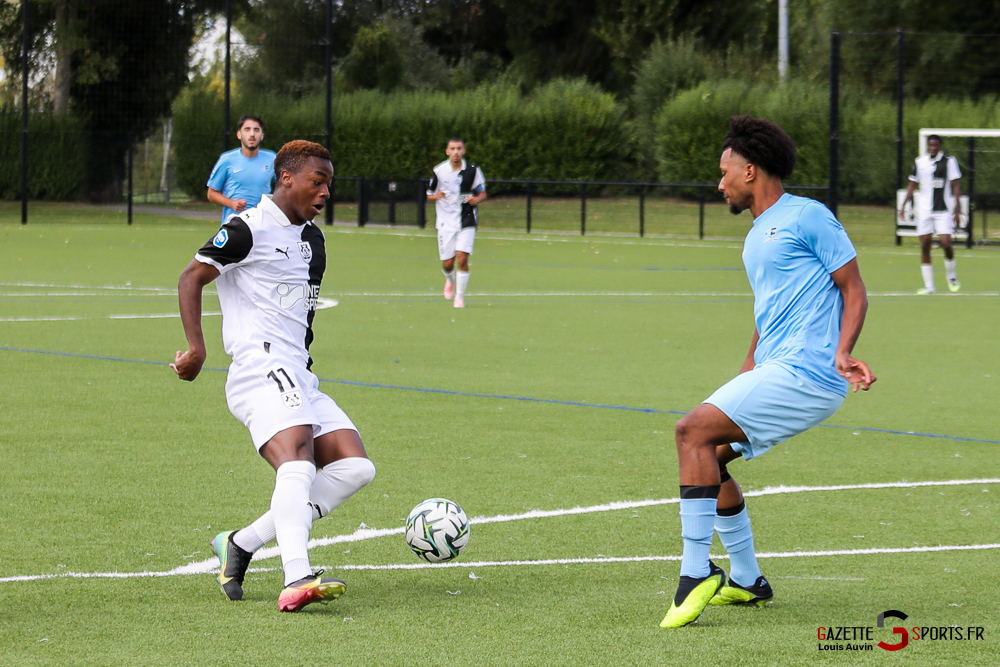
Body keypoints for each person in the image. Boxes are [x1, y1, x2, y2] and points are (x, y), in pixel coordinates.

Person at [660, 116, 876, 629]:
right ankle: (748, 579)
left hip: (809, 373)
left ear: (750, 170)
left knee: (690, 431)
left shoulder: (809, 216)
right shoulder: (757, 233)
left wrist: (844, 351)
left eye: (725, 172)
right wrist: (744, 372)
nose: (720, 184)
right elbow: (769, 312)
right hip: (778, 366)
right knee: (710, 454)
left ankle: (694, 575)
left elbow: (855, 289)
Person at [171, 140, 376, 612]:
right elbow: (190, 277)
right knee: (299, 462)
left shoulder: (313, 240)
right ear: (286, 178)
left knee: (354, 468)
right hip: (259, 369)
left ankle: (241, 542)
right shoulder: (248, 227)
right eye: (317, 181)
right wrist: (197, 348)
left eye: (329, 183)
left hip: (298, 374)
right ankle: (297, 577)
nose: (325, 191)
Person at [426, 138, 487, 308]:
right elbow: (429, 194)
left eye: (459, 148)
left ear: (463, 151)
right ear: (447, 151)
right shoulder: (439, 171)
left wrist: (477, 199)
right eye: (452, 148)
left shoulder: (473, 170)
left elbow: (483, 193)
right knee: (447, 263)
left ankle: (459, 298)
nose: (455, 152)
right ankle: (449, 279)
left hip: (466, 220)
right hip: (446, 223)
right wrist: (436, 196)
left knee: (462, 259)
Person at [898, 134, 962, 295]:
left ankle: (951, 275)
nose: (933, 148)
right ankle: (929, 286)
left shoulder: (949, 161)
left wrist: (957, 209)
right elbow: (912, 184)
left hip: (943, 209)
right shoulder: (920, 162)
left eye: (936, 145)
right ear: (928, 146)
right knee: (925, 244)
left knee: (946, 243)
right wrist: (904, 205)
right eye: (931, 145)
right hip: (925, 209)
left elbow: (955, 185)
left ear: (940, 146)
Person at [207, 115, 278, 225]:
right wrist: (231, 203)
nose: (252, 134)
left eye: (256, 130)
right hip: (234, 224)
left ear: (262, 135)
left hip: (263, 225)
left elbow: (286, 184)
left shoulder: (272, 159)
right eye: (247, 129)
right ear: (239, 134)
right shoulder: (227, 160)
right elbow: (211, 194)